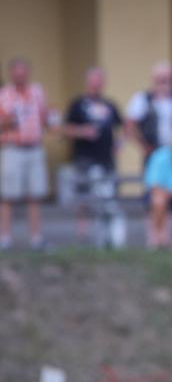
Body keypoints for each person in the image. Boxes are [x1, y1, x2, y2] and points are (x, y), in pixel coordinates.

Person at [62, 66, 123, 241]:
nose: (97, 85)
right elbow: (65, 129)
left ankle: (105, 232)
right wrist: (82, 131)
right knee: (84, 196)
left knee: (108, 194)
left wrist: (119, 144)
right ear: (88, 82)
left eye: (100, 81)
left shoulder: (109, 105)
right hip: (84, 157)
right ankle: (82, 233)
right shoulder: (77, 104)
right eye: (94, 81)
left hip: (106, 158)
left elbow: (122, 126)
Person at [0, 58, 51, 250]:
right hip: (13, 148)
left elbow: (45, 117)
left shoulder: (37, 93)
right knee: (7, 195)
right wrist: (8, 122)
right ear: (11, 73)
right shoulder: (4, 95)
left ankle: (36, 237)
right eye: (16, 72)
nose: (20, 75)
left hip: (34, 148)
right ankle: (4, 238)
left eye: (23, 71)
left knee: (35, 194)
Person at [126, 62, 172, 167]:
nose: (166, 84)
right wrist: (143, 146)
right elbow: (129, 125)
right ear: (154, 80)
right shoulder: (143, 99)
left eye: (169, 80)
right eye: (162, 80)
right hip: (154, 153)